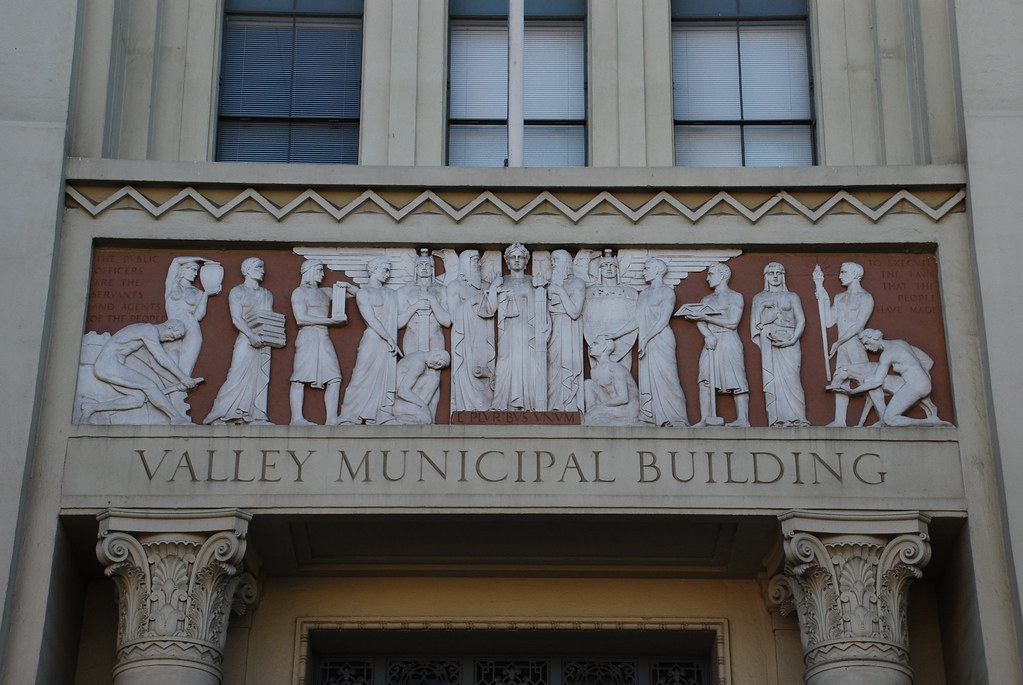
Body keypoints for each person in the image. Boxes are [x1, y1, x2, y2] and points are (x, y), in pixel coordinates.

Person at [607, 258, 689, 427]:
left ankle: (677, 418)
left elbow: (663, 320)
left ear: (658, 270)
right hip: (646, 342)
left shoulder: (667, 292)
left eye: (647, 268)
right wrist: (615, 334)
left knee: (668, 378)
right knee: (648, 380)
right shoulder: (643, 294)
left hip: (661, 339)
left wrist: (644, 339)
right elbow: (636, 320)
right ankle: (651, 417)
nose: (643, 271)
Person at [80, 320, 201, 425]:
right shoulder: (149, 330)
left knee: (138, 399)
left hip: (109, 366)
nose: (171, 339)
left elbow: (156, 365)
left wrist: (176, 382)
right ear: (168, 327)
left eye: (174, 338)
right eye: (173, 335)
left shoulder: (146, 333)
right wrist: (183, 377)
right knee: (149, 385)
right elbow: (161, 358)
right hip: (108, 365)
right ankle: (176, 418)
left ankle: (91, 408)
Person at [204, 258, 277, 425]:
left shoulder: (266, 294)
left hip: (263, 340)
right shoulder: (237, 291)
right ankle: (218, 415)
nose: (262, 271)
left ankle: (256, 416)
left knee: (260, 377)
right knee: (236, 376)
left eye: (263, 267)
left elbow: (269, 318)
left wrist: (269, 336)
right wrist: (251, 335)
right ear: (247, 270)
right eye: (258, 267)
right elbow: (236, 318)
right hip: (246, 339)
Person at [479, 243, 550, 411]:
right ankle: (501, 403)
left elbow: (543, 307)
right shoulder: (502, 281)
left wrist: (549, 325)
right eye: (513, 257)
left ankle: (530, 404)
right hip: (509, 330)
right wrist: (494, 288)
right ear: (507, 262)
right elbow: (490, 310)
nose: (517, 260)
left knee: (530, 364)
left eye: (521, 257)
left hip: (530, 331)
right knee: (505, 363)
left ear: (526, 261)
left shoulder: (534, 282)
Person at [831, 329, 951, 427]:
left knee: (890, 419)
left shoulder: (887, 355)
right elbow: (928, 361)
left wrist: (852, 391)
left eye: (867, 343)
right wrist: (923, 378)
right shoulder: (901, 342)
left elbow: (877, 381)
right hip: (919, 383)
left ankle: (930, 422)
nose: (867, 348)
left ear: (874, 338)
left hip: (915, 385)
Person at [813, 262, 881, 426]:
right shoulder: (839, 297)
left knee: (866, 381)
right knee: (840, 381)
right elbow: (829, 321)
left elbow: (859, 325)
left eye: (843, 272)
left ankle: (882, 416)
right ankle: (839, 420)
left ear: (855, 274)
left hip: (855, 344)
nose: (839, 276)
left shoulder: (865, 297)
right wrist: (821, 290)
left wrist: (837, 342)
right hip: (842, 346)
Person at [683, 263, 749, 427]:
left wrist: (704, 317)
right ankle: (706, 418)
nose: (707, 278)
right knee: (705, 377)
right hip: (711, 341)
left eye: (711, 274)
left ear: (723, 275)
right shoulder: (706, 299)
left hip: (729, 339)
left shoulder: (735, 296)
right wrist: (707, 334)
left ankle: (743, 419)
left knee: (737, 378)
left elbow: (733, 322)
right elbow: (701, 322)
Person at [289, 260, 354, 425]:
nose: (323, 274)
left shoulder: (325, 292)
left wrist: (346, 285)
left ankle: (331, 419)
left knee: (334, 377)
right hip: (308, 337)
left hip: (323, 336)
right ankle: (296, 418)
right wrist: (331, 321)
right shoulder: (299, 292)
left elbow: (355, 294)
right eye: (319, 270)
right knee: (300, 377)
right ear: (309, 271)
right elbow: (301, 318)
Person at [339, 257, 401, 424]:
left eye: (389, 270)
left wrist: (416, 308)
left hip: (388, 342)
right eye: (384, 269)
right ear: (373, 269)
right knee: (361, 374)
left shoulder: (391, 294)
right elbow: (371, 319)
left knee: (385, 376)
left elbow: (397, 321)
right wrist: (390, 339)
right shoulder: (364, 292)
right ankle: (349, 414)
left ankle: (381, 414)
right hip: (374, 339)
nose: (387, 274)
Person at [751, 262, 809, 427]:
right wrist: (762, 308)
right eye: (771, 273)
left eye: (778, 273)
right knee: (774, 380)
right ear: (766, 276)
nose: (775, 276)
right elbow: (756, 324)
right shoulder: (759, 298)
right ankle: (777, 419)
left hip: (790, 339)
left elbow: (801, 320)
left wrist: (793, 339)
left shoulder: (792, 296)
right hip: (769, 341)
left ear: (783, 275)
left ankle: (798, 418)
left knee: (792, 378)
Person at [445, 249, 496, 412]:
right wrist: (473, 301)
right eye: (475, 260)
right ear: (465, 264)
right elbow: (454, 316)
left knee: (486, 367)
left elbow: (492, 309)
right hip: (465, 337)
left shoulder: (486, 286)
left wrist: (494, 290)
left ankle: (487, 406)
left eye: (479, 260)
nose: (479, 264)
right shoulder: (455, 286)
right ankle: (467, 407)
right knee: (468, 370)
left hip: (485, 334)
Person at [163, 256, 219, 377]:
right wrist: (199, 258)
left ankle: (180, 394)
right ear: (182, 271)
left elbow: (199, 316)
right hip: (172, 328)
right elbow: (176, 261)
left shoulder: (198, 292)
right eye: (192, 269)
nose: (195, 274)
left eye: (196, 271)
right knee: (169, 364)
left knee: (185, 369)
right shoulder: (172, 285)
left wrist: (206, 294)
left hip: (192, 328)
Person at [546, 249, 586, 412]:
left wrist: (560, 291)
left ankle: (568, 405)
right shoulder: (550, 284)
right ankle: (554, 405)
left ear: (565, 263)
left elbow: (575, 312)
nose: (553, 263)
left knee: (567, 365)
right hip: (553, 329)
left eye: (556, 260)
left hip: (569, 328)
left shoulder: (577, 283)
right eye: (552, 260)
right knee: (553, 367)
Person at [398, 250, 450, 355]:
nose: (424, 268)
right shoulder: (404, 291)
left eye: (428, 265)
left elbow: (447, 322)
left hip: (435, 339)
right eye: (420, 265)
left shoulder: (442, 290)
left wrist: (432, 299)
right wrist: (416, 306)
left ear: (433, 268)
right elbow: (398, 323)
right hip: (412, 338)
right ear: (415, 269)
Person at [583, 337, 640, 426]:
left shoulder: (615, 368)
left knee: (593, 415)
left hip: (626, 409)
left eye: (595, 343)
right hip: (609, 405)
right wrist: (597, 407)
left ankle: (595, 416)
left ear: (604, 347)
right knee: (588, 384)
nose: (591, 346)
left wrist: (599, 407)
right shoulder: (594, 370)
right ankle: (593, 416)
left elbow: (623, 398)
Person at [389, 350, 451, 424]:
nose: (436, 367)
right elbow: (402, 392)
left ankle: (418, 411)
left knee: (433, 379)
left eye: (439, 367)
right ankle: (393, 420)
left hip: (399, 400)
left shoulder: (417, 354)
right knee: (426, 419)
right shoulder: (419, 364)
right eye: (438, 363)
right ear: (436, 355)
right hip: (393, 403)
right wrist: (424, 406)